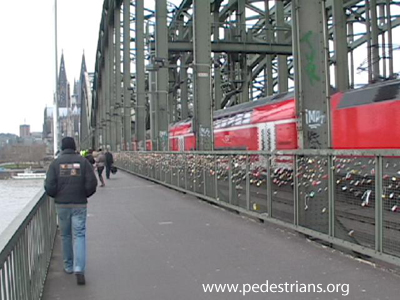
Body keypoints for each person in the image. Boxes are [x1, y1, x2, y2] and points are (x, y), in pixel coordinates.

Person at [44, 137, 97, 285]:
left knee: (66, 235)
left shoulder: (55, 164)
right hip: (79, 203)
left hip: (62, 204)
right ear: (74, 147)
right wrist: (84, 194)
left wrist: (56, 195)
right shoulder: (83, 162)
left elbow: (49, 186)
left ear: (61, 147)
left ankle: (68, 266)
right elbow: (92, 183)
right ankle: (79, 268)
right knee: (79, 235)